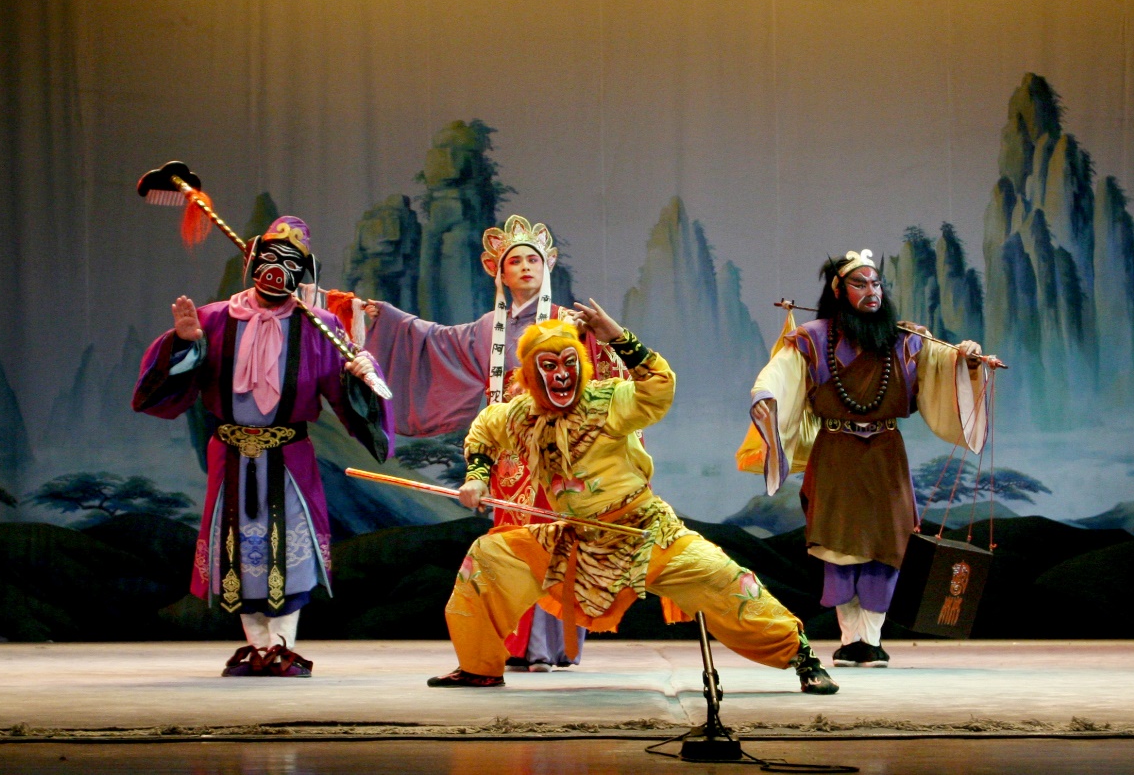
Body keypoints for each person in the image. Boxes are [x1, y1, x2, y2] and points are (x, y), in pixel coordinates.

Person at [426, 304, 839, 694]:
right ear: (531, 373)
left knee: (723, 578)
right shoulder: (520, 415)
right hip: (575, 540)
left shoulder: (608, 401)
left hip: (644, 531)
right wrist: (477, 478)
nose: (562, 374)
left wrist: (618, 337)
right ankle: (479, 667)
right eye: (548, 366)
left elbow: (659, 386)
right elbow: (483, 432)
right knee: (488, 556)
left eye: (569, 363)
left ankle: (801, 657)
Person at [354, 214, 626, 672]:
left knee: (555, 543)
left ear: (548, 265)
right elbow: (437, 342)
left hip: (561, 453)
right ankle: (518, 644)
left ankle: (550, 646)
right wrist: (390, 321)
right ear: (496, 270)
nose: (525, 268)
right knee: (510, 545)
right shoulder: (488, 328)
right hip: (508, 454)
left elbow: (607, 377)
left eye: (532, 260)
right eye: (514, 261)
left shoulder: (570, 322)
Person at [133, 216, 392, 677]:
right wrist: (185, 345)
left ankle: (282, 647)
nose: (277, 269)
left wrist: (359, 376)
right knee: (238, 553)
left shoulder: (321, 326)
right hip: (231, 455)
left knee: (289, 552)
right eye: (270, 258)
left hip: (288, 458)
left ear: (304, 274)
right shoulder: (214, 319)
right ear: (252, 262)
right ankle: (258, 648)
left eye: (291, 263)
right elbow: (170, 388)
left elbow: (348, 394)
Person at [749, 249, 999, 668]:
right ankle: (851, 639)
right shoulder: (812, 338)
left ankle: (872, 638)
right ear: (839, 291)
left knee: (888, 545)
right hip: (835, 453)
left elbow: (944, 362)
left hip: (886, 454)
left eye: (876, 283)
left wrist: (967, 361)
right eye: (860, 284)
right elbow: (780, 373)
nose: (872, 291)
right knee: (837, 547)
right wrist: (765, 395)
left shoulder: (906, 339)